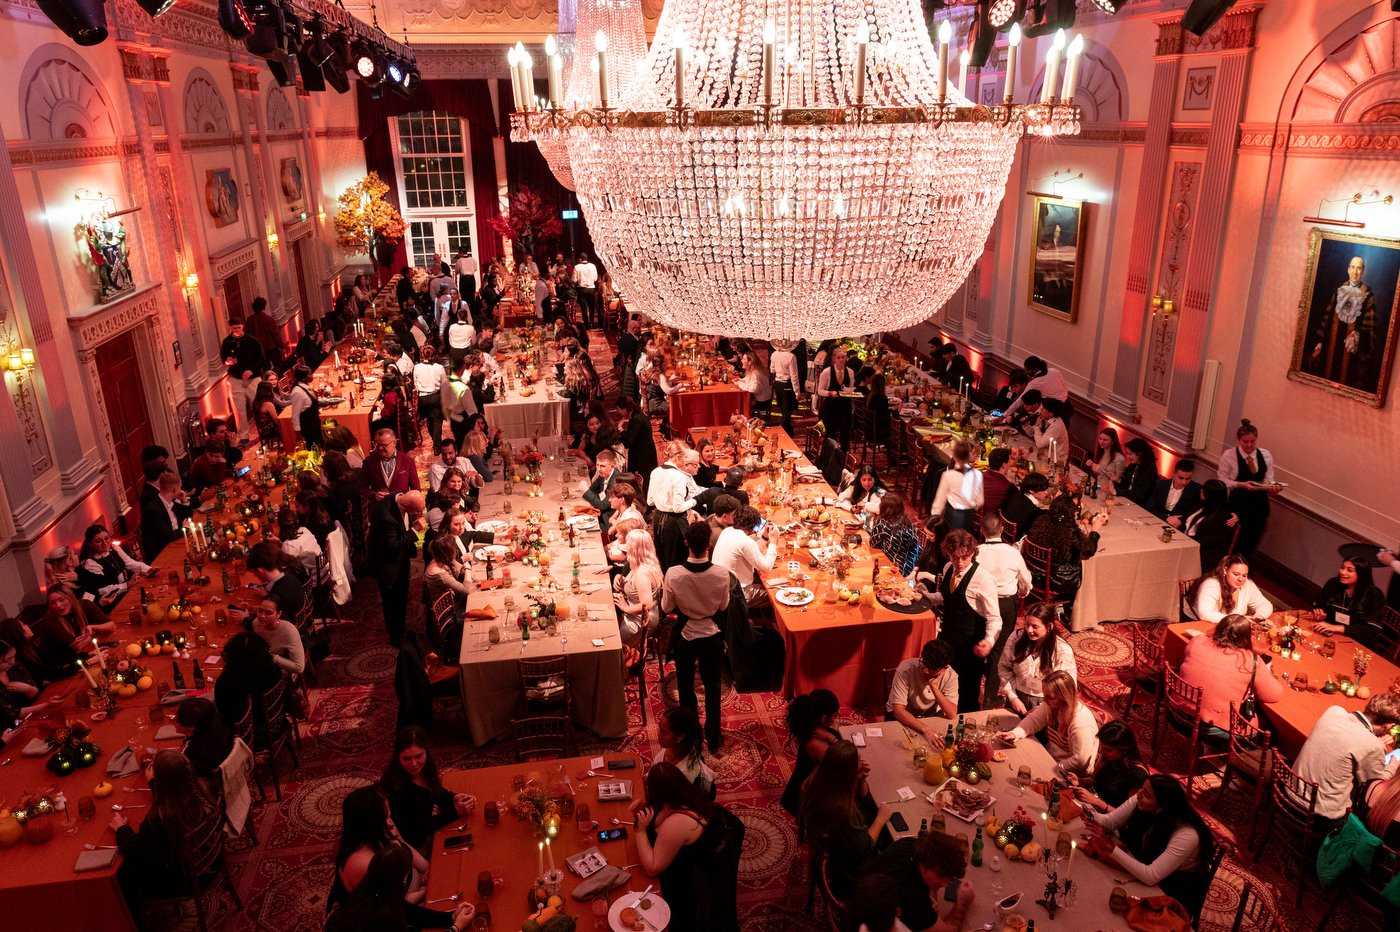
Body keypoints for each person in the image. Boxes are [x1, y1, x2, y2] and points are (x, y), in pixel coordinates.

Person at [328, 785, 466, 930]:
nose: (388, 803)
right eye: (384, 803)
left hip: (409, 889)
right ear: (373, 817)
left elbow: (404, 846)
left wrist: (429, 869)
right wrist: (449, 917)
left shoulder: (381, 827)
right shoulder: (364, 864)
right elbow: (397, 909)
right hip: (394, 914)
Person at [1087, 775, 1217, 923]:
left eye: (1147, 795)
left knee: (1121, 912)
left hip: (1176, 886)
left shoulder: (1187, 834)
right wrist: (1087, 813)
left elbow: (1151, 876)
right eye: (1143, 787)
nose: (1139, 794)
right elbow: (1110, 821)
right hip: (1147, 863)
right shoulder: (1143, 800)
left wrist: (1111, 848)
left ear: (1161, 805)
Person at [632, 762, 742, 932]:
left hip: (684, 884)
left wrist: (639, 831)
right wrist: (646, 810)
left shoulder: (678, 822)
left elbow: (652, 868)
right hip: (688, 862)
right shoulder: (689, 794)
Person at [112, 750, 220, 917]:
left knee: (123, 872)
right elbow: (175, 793)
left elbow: (134, 849)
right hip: (211, 860)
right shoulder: (202, 789)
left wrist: (121, 828)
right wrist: (153, 783)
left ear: (162, 781)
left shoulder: (159, 819)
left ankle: (133, 922)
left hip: (184, 879)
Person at [662, 521, 732, 753]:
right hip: (711, 637)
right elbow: (723, 606)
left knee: (685, 686)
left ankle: (691, 736)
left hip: (685, 636)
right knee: (713, 689)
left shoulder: (674, 573)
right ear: (709, 546)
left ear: (686, 544)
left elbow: (666, 607)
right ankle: (713, 736)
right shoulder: (722, 574)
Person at [1291, 693, 1400, 835]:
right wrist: (1392, 765)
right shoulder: (1373, 745)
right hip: (1320, 818)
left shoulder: (1333, 711)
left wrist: (1373, 740)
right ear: (1390, 725)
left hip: (1289, 793)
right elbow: (1373, 786)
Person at [798, 741, 895, 897]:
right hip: (849, 875)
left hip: (836, 852)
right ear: (846, 772)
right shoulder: (845, 812)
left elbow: (863, 800)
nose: (861, 762)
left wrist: (860, 780)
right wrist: (881, 818)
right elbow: (865, 846)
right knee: (899, 848)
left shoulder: (817, 781)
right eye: (858, 760)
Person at [923, 530, 1001, 713]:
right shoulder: (948, 568)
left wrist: (989, 642)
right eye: (954, 557)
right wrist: (924, 597)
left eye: (964, 557)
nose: (959, 562)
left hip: (969, 648)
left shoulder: (984, 580)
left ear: (973, 552)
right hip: (948, 640)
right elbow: (946, 597)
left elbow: (995, 618)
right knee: (944, 685)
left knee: (966, 694)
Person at [1178, 612, 1283, 736]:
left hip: (1177, 711)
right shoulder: (1251, 661)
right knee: (1268, 725)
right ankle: (1234, 752)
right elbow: (1274, 695)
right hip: (1211, 727)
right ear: (1247, 636)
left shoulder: (1197, 641)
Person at [379, 726, 474, 853]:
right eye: (406, 758)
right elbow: (416, 829)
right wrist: (455, 811)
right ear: (398, 756)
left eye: (418, 756)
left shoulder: (426, 769)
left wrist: (453, 798)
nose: (413, 764)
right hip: (413, 846)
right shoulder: (395, 787)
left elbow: (434, 792)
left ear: (426, 752)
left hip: (427, 830)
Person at [996, 669, 1099, 779]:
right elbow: (1034, 721)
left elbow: (1080, 761)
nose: (1044, 700)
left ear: (1064, 696)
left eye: (1050, 697)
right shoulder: (1052, 705)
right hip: (1053, 759)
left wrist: (1053, 767)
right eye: (1044, 694)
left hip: (1073, 773)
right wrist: (1014, 734)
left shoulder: (1081, 724)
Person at [863, 830, 974, 932]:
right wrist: (962, 902)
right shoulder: (913, 896)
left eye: (948, 877)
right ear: (923, 864)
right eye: (941, 875)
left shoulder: (909, 844)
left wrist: (929, 894)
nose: (945, 884)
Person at [1305, 254, 1381, 390]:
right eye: (1352, 267)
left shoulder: (1368, 297)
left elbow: (1370, 330)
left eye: (1358, 268)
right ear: (1348, 269)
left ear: (1363, 271)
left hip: (1350, 356)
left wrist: (1357, 336)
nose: (1355, 271)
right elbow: (1327, 320)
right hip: (1330, 350)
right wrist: (1320, 342)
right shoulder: (1338, 292)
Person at [368, 491, 427, 648]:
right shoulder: (384, 516)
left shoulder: (399, 497)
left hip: (401, 561)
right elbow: (393, 547)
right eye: (416, 511)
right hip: (387, 566)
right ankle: (396, 637)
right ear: (406, 505)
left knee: (401, 598)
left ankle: (401, 629)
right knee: (392, 603)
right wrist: (414, 531)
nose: (417, 515)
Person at [997, 601, 1077, 714]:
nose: (1029, 630)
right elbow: (1004, 667)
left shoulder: (1062, 651)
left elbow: (1068, 685)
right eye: (1027, 624)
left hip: (1047, 703)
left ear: (1049, 627)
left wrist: (1043, 707)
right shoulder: (1015, 639)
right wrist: (1012, 697)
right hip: (1017, 697)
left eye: (1035, 626)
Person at [1024, 495, 1106, 604]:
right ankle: (1078, 606)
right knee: (1089, 570)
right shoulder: (1068, 532)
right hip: (1058, 578)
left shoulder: (1042, 520)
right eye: (1073, 511)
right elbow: (1089, 550)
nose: (1076, 513)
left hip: (1036, 571)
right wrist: (1095, 530)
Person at [1217, 419, 1277, 556]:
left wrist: (1273, 489)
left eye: (1252, 441)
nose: (1249, 445)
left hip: (1260, 505)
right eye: (1245, 442)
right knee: (1240, 543)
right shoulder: (1229, 456)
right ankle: (1242, 572)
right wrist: (1241, 484)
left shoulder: (1266, 455)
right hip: (1239, 505)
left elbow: (1269, 480)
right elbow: (1222, 480)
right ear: (1238, 440)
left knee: (1252, 543)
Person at [780, 689, 841, 817]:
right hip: (809, 797)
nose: (836, 718)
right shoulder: (818, 745)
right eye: (835, 715)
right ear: (824, 718)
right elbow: (844, 764)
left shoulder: (813, 727)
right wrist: (832, 738)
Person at [1068, 720, 1149, 812]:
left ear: (1124, 749)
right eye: (1101, 746)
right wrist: (1080, 781)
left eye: (1107, 749)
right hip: (1088, 803)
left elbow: (1128, 815)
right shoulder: (1107, 757)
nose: (1101, 752)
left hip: (1107, 817)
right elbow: (1095, 780)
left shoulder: (1137, 774)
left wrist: (1096, 801)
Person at [214, 631, 286, 731]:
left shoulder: (226, 682)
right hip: (277, 722)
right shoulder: (274, 670)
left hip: (250, 735)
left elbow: (223, 713)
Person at [887, 639, 959, 737]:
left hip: (928, 716)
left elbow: (951, 713)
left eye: (932, 668)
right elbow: (898, 711)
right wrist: (926, 729)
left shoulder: (951, 676)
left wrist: (934, 687)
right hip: (903, 715)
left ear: (945, 668)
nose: (925, 671)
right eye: (924, 663)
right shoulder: (906, 669)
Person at [649, 446, 703, 572]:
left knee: (662, 556)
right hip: (674, 522)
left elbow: (650, 501)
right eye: (685, 457)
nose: (686, 461)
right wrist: (694, 501)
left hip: (658, 520)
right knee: (677, 560)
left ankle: (667, 586)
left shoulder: (655, 471)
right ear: (677, 457)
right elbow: (678, 508)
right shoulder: (678, 476)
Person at [33, 584, 114, 668]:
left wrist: (92, 627)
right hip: (60, 666)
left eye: (61, 600)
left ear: (71, 597)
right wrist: (94, 631)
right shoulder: (49, 620)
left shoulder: (85, 605)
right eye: (52, 603)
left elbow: (111, 626)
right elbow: (78, 645)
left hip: (79, 656)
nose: (57, 605)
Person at [712, 505, 779, 606]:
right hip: (738, 593)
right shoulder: (745, 541)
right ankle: (767, 621)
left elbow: (751, 552)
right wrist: (773, 542)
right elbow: (766, 567)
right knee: (775, 594)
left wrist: (764, 537)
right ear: (753, 528)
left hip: (721, 588)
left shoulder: (726, 531)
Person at [75, 523, 154, 607]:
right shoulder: (90, 563)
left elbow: (130, 563)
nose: (105, 543)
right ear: (90, 544)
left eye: (107, 538)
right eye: (99, 541)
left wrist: (148, 569)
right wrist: (127, 585)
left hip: (127, 591)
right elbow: (102, 589)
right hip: (113, 601)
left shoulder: (114, 549)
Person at [1183, 555, 1273, 624]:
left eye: (1244, 575)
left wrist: (1259, 615)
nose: (1240, 579)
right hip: (1199, 624)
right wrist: (1237, 620)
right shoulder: (1212, 585)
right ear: (1225, 570)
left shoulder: (1247, 585)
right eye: (1236, 574)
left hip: (1229, 628)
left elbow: (1264, 604)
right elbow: (1205, 614)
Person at [613, 528, 664, 648]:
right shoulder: (647, 563)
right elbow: (636, 585)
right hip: (638, 615)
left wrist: (626, 608)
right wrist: (619, 577)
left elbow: (647, 605)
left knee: (611, 644)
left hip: (640, 621)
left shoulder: (642, 573)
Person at [0, 639, 65, 731]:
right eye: (6, 661)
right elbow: (13, 713)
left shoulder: (15, 666)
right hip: (16, 728)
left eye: (13, 656)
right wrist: (47, 705)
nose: (13, 662)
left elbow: (35, 692)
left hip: (36, 713)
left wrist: (27, 688)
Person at [221, 320, 268, 442]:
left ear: (243, 326)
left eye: (239, 327)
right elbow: (224, 360)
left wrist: (251, 370)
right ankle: (243, 436)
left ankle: (264, 431)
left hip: (253, 380)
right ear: (230, 328)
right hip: (235, 379)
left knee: (258, 407)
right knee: (239, 409)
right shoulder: (227, 342)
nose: (237, 331)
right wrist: (228, 361)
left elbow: (261, 359)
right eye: (234, 328)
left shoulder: (252, 341)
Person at [657, 706, 717, 797]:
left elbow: (671, 804)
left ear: (680, 736)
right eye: (659, 729)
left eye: (664, 733)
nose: (658, 735)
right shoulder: (674, 747)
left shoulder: (685, 773)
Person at [174, 696, 234, 783]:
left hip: (210, 787)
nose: (172, 721)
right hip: (230, 773)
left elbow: (182, 782)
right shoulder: (220, 723)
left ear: (191, 727)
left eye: (176, 720)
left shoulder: (190, 754)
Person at [245, 593, 306, 676]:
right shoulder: (256, 623)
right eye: (260, 611)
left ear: (278, 614)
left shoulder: (289, 631)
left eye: (268, 613)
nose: (262, 616)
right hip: (262, 664)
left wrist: (269, 656)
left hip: (278, 671)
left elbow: (299, 667)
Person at [930, 440, 984, 532]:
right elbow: (980, 501)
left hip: (952, 517)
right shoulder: (978, 474)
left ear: (954, 456)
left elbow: (939, 503)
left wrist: (933, 523)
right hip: (969, 517)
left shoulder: (948, 475)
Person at [140, 470, 194, 561]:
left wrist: (184, 501)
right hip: (162, 555)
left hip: (177, 543)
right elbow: (169, 536)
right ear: (175, 489)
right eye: (180, 487)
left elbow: (188, 519)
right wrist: (185, 528)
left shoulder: (172, 501)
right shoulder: (154, 510)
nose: (181, 490)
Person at [360, 429, 422, 501]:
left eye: (384, 445)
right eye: (378, 444)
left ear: (394, 443)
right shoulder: (369, 462)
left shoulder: (407, 461)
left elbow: (416, 490)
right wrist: (374, 495)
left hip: (401, 509)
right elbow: (361, 487)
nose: (380, 448)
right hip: (379, 509)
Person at [870, 492, 921, 576]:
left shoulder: (882, 523)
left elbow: (873, 544)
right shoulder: (910, 522)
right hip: (910, 566)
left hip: (892, 567)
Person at [816, 345, 857, 450]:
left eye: (843, 357)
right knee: (830, 435)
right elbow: (820, 391)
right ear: (834, 358)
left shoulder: (850, 372)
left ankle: (844, 459)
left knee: (845, 435)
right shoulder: (826, 372)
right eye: (838, 358)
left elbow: (851, 388)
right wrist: (829, 393)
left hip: (845, 407)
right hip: (830, 408)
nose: (841, 360)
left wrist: (852, 393)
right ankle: (826, 458)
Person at [617, 395, 658, 491]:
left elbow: (630, 441)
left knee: (643, 480)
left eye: (618, 409)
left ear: (624, 409)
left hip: (643, 456)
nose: (618, 412)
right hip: (645, 452)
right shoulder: (638, 416)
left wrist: (621, 429)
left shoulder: (636, 420)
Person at [999, 472, 1049, 541]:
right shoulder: (1033, 510)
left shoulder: (1017, 495)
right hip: (1017, 541)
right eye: (1043, 490)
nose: (1046, 492)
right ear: (1031, 490)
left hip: (1004, 535)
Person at [769, 339, 802, 433]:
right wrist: (797, 392)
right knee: (787, 412)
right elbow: (794, 376)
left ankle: (788, 429)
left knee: (784, 411)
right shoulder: (791, 356)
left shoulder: (774, 354)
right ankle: (784, 432)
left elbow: (772, 370)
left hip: (778, 385)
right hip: (787, 385)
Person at [981, 449, 1019, 526]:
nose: (1010, 464)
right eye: (1009, 461)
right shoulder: (1009, 487)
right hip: (991, 527)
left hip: (973, 521)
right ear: (1004, 465)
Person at [1118, 438, 1159, 507]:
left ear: (1139, 454)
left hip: (1139, 506)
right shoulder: (1133, 465)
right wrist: (1118, 480)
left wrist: (1116, 492)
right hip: (1127, 501)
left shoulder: (1149, 469)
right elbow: (1127, 484)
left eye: (1130, 454)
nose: (1127, 457)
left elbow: (1138, 495)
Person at [1030, 397, 1069, 467]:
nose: (1040, 410)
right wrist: (1026, 426)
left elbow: (1040, 443)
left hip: (1056, 461)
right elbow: (1034, 435)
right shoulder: (1046, 419)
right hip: (1045, 454)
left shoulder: (1055, 426)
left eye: (1043, 409)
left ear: (1051, 413)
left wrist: (1036, 426)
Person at [737, 351, 772, 418]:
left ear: (749, 363)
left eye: (744, 359)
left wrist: (740, 384)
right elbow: (748, 380)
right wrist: (739, 380)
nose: (741, 360)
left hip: (761, 402)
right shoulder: (754, 370)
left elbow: (754, 389)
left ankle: (743, 420)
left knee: (739, 403)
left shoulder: (755, 373)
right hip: (763, 399)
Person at [572, 254, 599, 329]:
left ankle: (586, 325)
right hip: (591, 289)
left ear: (580, 259)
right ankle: (591, 323)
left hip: (582, 289)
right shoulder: (592, 266)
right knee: (591, 307)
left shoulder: (577, 267)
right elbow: (595, 278)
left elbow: (574, 279)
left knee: (583, 308)